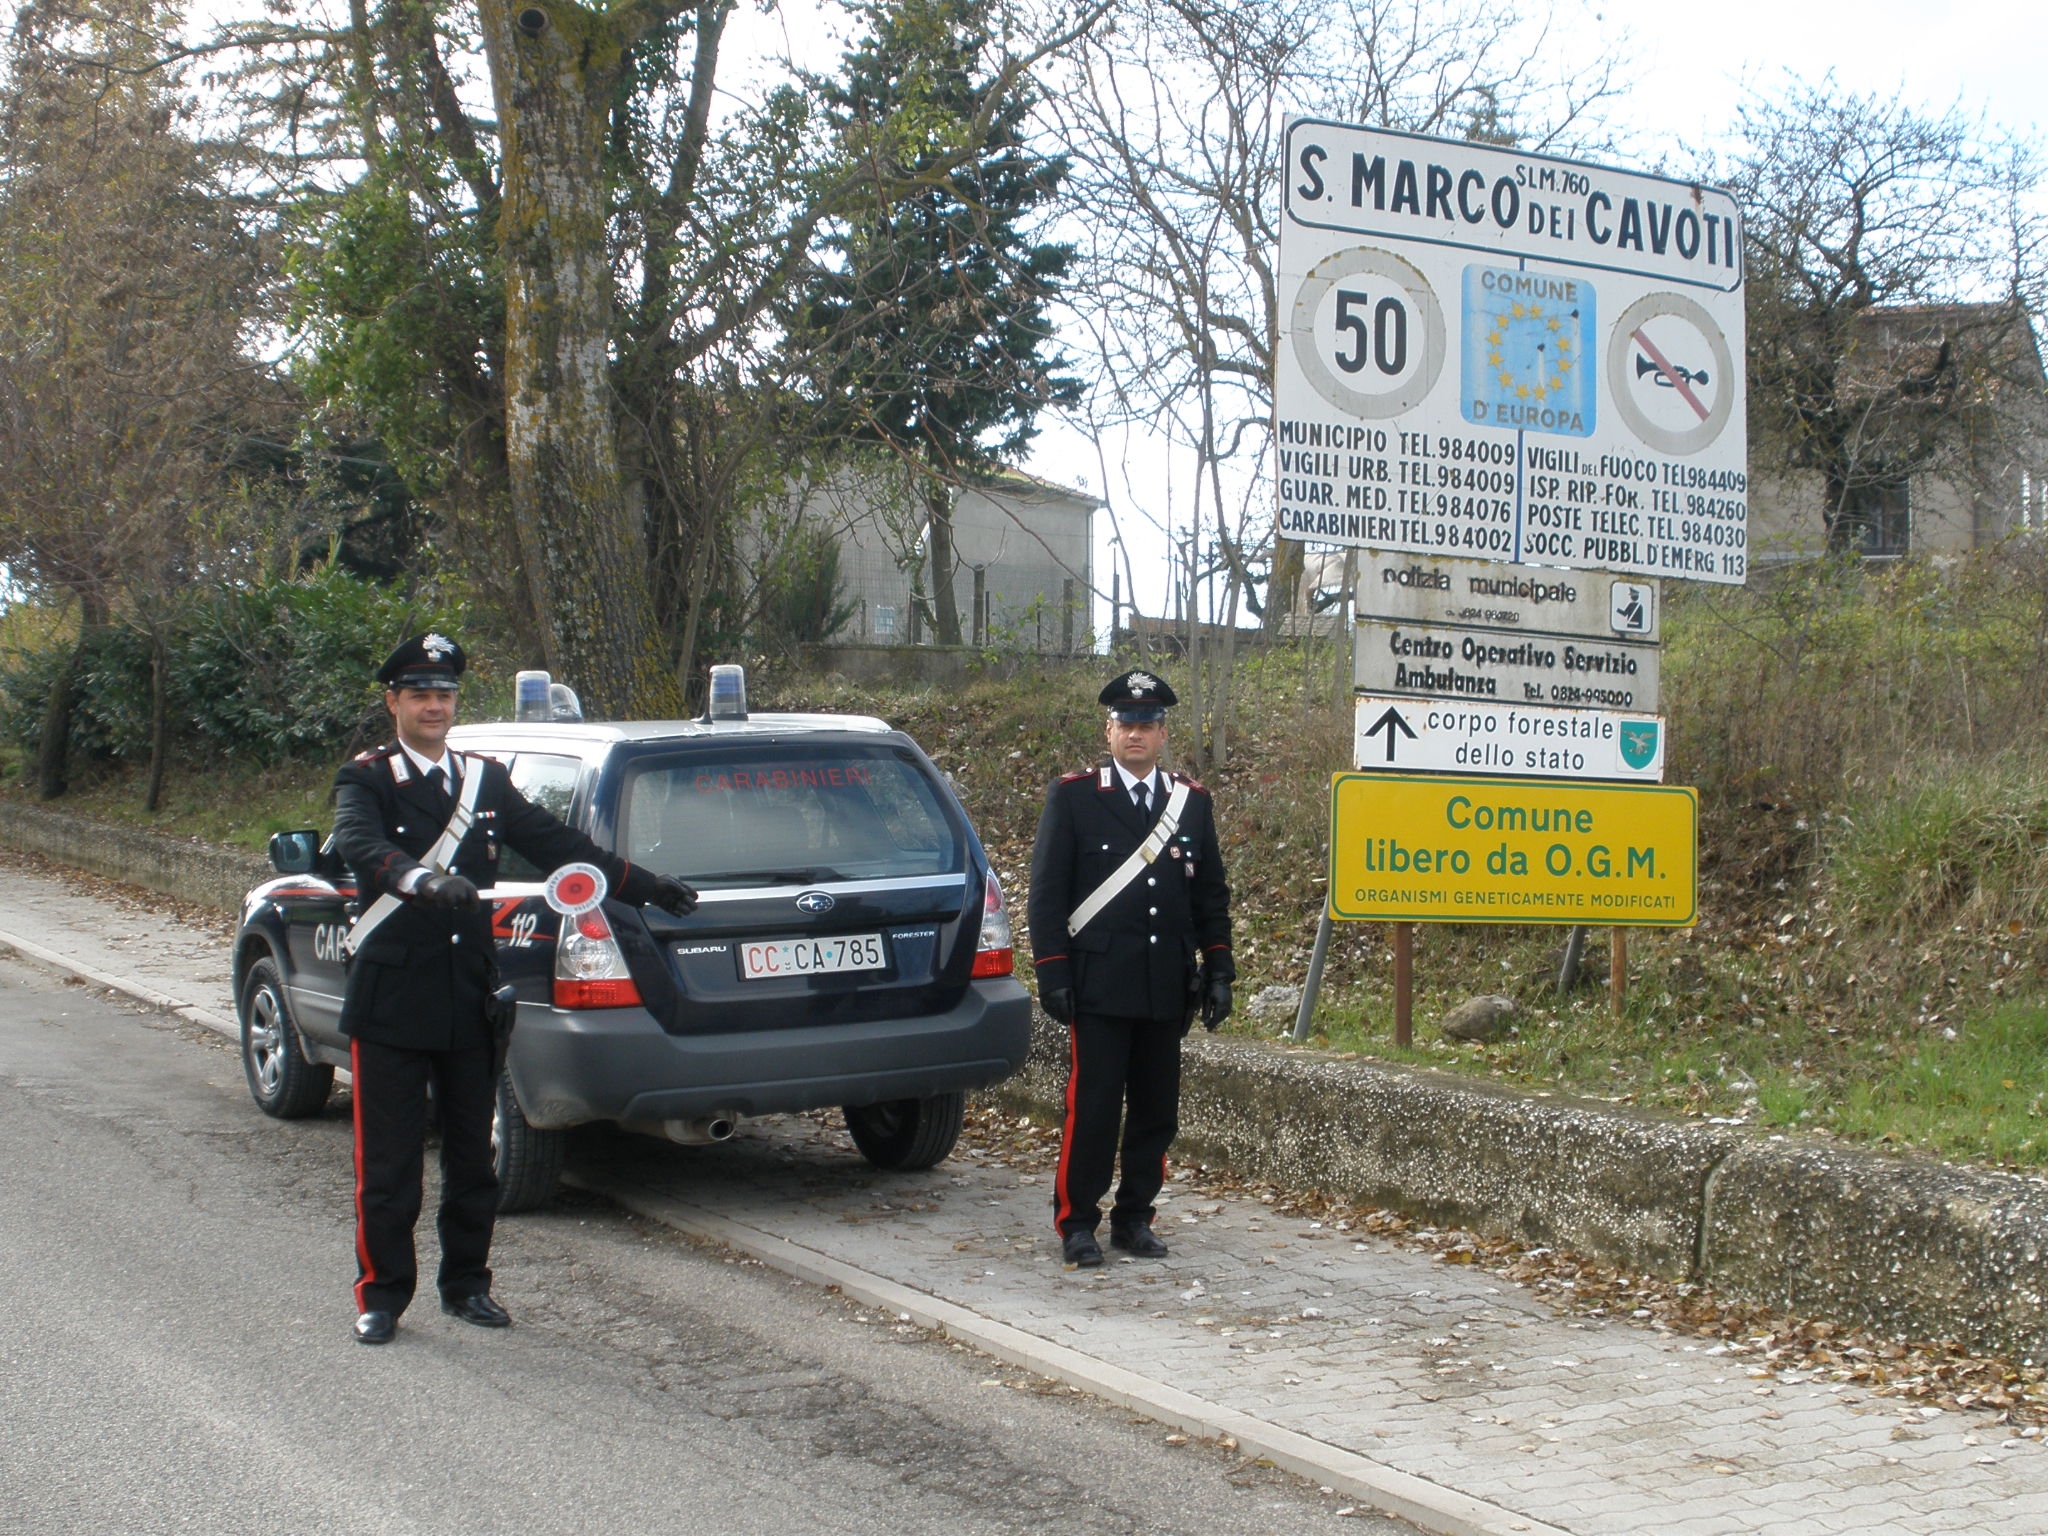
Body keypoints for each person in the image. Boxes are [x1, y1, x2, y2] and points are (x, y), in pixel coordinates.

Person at [331, 633, 697, 1345]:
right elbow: (360, 846)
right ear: (393, 703)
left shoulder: (482, 779)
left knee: (474, 1159)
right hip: (392, 1004)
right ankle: (381, 1296)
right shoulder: (368, 778)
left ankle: (467, 1285)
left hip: (470, 999)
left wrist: (648, 887)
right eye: (420, 695)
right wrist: (418, 879)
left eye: (444, 695)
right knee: (389, 1166)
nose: (434, 706)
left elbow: (564, 846)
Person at [1026, 668, 1234, 1269]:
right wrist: (1053, 974)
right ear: (1108, 730)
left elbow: (1210, 896)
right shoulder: (1074, 796)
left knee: (1155, 1110)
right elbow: (1047, 896)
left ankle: (1135, 1217)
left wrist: (1220, 971)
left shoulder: (1190, 803)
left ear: (1163, 733)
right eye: (1125, 723)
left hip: (1165, 985)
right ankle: (1077, 1223)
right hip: (1098, 985)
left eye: (1147, 724)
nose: (1135, 734)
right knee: (1092, 1108)